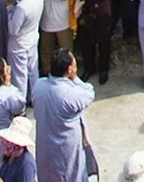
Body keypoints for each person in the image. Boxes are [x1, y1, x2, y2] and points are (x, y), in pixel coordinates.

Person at [32, 49, 97, 182]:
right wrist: (75, 78)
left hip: (46, 152)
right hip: (67, 155)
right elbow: (89, 92)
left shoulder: (38, 86)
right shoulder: (70, 94)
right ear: (69, 69)